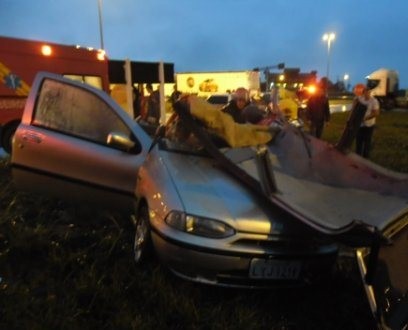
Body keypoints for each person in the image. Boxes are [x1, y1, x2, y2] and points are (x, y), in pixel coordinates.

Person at [354, 83, 380, 158]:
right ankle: (358, 157)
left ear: (370, 92)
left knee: (367, 142)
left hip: (369, 125)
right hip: (360, 125)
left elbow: (376, 113)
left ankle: (365, 158)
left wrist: (365, 118)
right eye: (365, 92)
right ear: (363, 92)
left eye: (368, 92)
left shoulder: (374, 101)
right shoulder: (360, 99)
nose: (366, 94)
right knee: (358, 141)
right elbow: (355, 103)